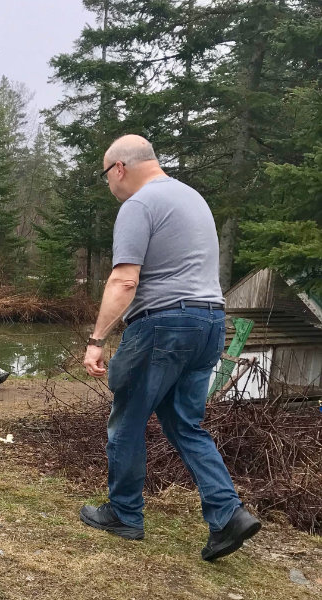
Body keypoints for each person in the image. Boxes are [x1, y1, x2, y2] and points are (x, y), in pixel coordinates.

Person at [79, 135, 261, 561]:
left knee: (127, 419)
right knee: (185, 424)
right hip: (211, 321)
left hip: (164, 325)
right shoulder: (192, 198)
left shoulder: (138, 205)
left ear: (119, 168)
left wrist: (96, 339)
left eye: (107, 177)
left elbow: (124, 280)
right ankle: (227, 514)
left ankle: (124, 514)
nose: (110, 187)